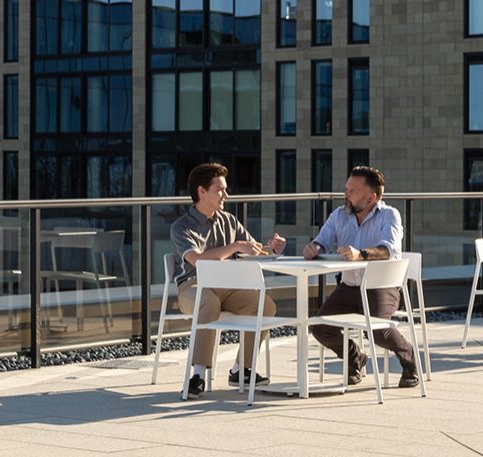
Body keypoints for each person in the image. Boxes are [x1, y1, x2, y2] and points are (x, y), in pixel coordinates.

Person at [171, 162, 287, 397]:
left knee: (265, 305)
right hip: (193, 287)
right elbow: (198, 260)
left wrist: (272, 249)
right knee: (209, 301)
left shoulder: (229, 220)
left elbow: (252, 250)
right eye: (220, 190)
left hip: (228, 287)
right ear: (201, 192)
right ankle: (198, 374)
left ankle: (240, 369)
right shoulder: (181, 226)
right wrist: (234, 246)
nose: (226, 195)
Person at [304, 166, 420, 388]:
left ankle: (410, 360)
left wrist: (361, 254)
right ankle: (354, 358)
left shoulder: (389, 215)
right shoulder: (339, 214)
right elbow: (323, 240)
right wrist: (314, 247)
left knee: (375, 330)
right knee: (319, 327)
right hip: (349, 286)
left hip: (381, 286)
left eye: (352, 191)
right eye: (347, 188)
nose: (346, 194)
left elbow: (389, 250)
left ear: (371, 197)